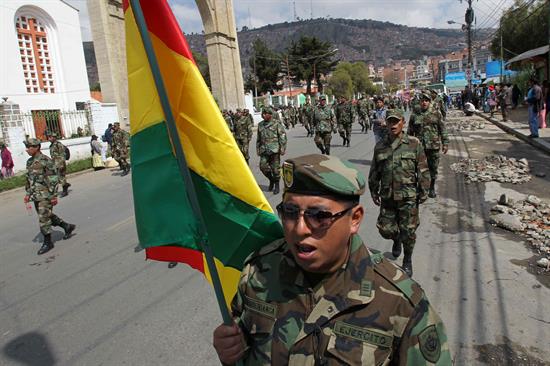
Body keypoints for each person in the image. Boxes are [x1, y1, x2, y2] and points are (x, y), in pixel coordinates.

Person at [212, 153, 451, 365]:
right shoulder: (259, 272)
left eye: (319, 216)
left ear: (354, 219)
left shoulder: (401, 302)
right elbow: (242, 338)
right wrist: (230, 352)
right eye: (290, 212)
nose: (300, 228)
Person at [368, 109, 430, 277]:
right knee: (385, 230)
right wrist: (373, 190)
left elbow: (423, 169)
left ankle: (407, 260)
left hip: (408, 196)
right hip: (387, 196)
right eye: (390, 121)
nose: (393, 125)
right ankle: (396, 239)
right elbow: (375, 171)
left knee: (408, 232)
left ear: (403, 122)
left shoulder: (414, 143)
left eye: (396, 121)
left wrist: (424, 190)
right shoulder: (380, 146)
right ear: (386, 123)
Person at [23, 138, 76, 255]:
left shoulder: (46, 161)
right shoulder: (29, 162)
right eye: (27, 147)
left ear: (36, 147)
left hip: (46, 195)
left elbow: (53, 179)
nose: (27, 149)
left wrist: (53, 196)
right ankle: (67, 226)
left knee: (43, 218)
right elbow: (29, 179)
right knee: (47, 215)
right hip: (35, 195)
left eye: (29, 147)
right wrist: (27, 194)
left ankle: (48, 242)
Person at [408, 92, 448, 198]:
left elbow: (442, 128)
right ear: (419, 102)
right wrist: (408, 145)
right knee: (419, 169)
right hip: (419, 147)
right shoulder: (415, 114)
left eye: (426, 100)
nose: (424, 102)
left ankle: (431, 187)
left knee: (433, 168)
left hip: (433, 146)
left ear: (429, 102)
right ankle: (421, 189)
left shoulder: (436, 113)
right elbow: (410, 132)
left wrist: (445, 143)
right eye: (422, 100)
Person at [256, 106, 287, 194]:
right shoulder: (260, 124)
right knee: (263, 167)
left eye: (265, 114)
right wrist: (258, 148)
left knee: (275, 169)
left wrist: (283, 148)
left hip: (274, 150)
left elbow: (282, 136)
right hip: (264, 150)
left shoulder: (276, 124)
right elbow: (259, 138)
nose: (264, 115)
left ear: (270, 115)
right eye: (263, 113)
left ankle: (276, 184)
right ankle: (272, 179)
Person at [47, 131, 71, 197]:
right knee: (59, 177)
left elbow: (62, 155)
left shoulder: (58, 144)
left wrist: (61, 164)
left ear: (54, 137)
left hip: (60, 163)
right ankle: (65, 185)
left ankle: (65, 190)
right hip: (55, 163)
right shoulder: (51, 145)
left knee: (60, 177)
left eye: (50, 137)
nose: (49, 138)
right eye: (48, 137)